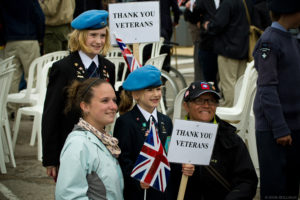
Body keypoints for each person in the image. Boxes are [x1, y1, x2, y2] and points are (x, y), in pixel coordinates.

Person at [42, 10, 115, 180]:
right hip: (70, 145)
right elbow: (51, 113)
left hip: (99, 145)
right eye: (93, 35)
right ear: (80, 36)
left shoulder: (108, 67)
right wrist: (51, 158)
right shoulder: (63, 68)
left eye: (102, 36)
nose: (98, 41)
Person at [168, 81, 258, 199]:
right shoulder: (172, 138)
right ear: (186, 106)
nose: (206, 105)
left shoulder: (230, 139)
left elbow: (247, 182)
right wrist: (179, 168)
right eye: (199, 100)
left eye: (211, 101)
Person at [253, 0, 300, 199]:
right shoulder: (269, 41)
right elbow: (267, 89)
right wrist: (280, 128)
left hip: (292, 126)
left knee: (290, 186)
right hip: (276, 130)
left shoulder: (291, 39)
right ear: (290, 11)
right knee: (275, 187)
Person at [55, 78, 124, 200]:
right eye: (105, 101)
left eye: (114, 100)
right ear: (85, 106)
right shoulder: (78, 144)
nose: (113, 106)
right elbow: (68, 196)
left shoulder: (104, 138)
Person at [113, 65, 173, 199]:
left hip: (163, 191)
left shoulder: (166, 121)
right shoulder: (126, 122)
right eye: (149, 90)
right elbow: (123, 159)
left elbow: (170, 153)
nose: (156, 94)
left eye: (158, 89)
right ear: (136, 95)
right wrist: (137, 181)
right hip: (139, 193)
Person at [204, 0, 253, 107]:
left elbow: (218, 24)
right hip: (244, 49)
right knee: (240, 84)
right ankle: (240, 111)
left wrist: (208, 26)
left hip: (228, 49)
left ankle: (230, 113)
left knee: (228, 84)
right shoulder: (245, 2)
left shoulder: (227, 3)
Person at [0, 0, 45, 117]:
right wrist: (40, 37)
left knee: (12, 77)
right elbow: (39, 16)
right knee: (33, 75)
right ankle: (33, 107)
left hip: (10, 40)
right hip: (29, 38)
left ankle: (10, 109)